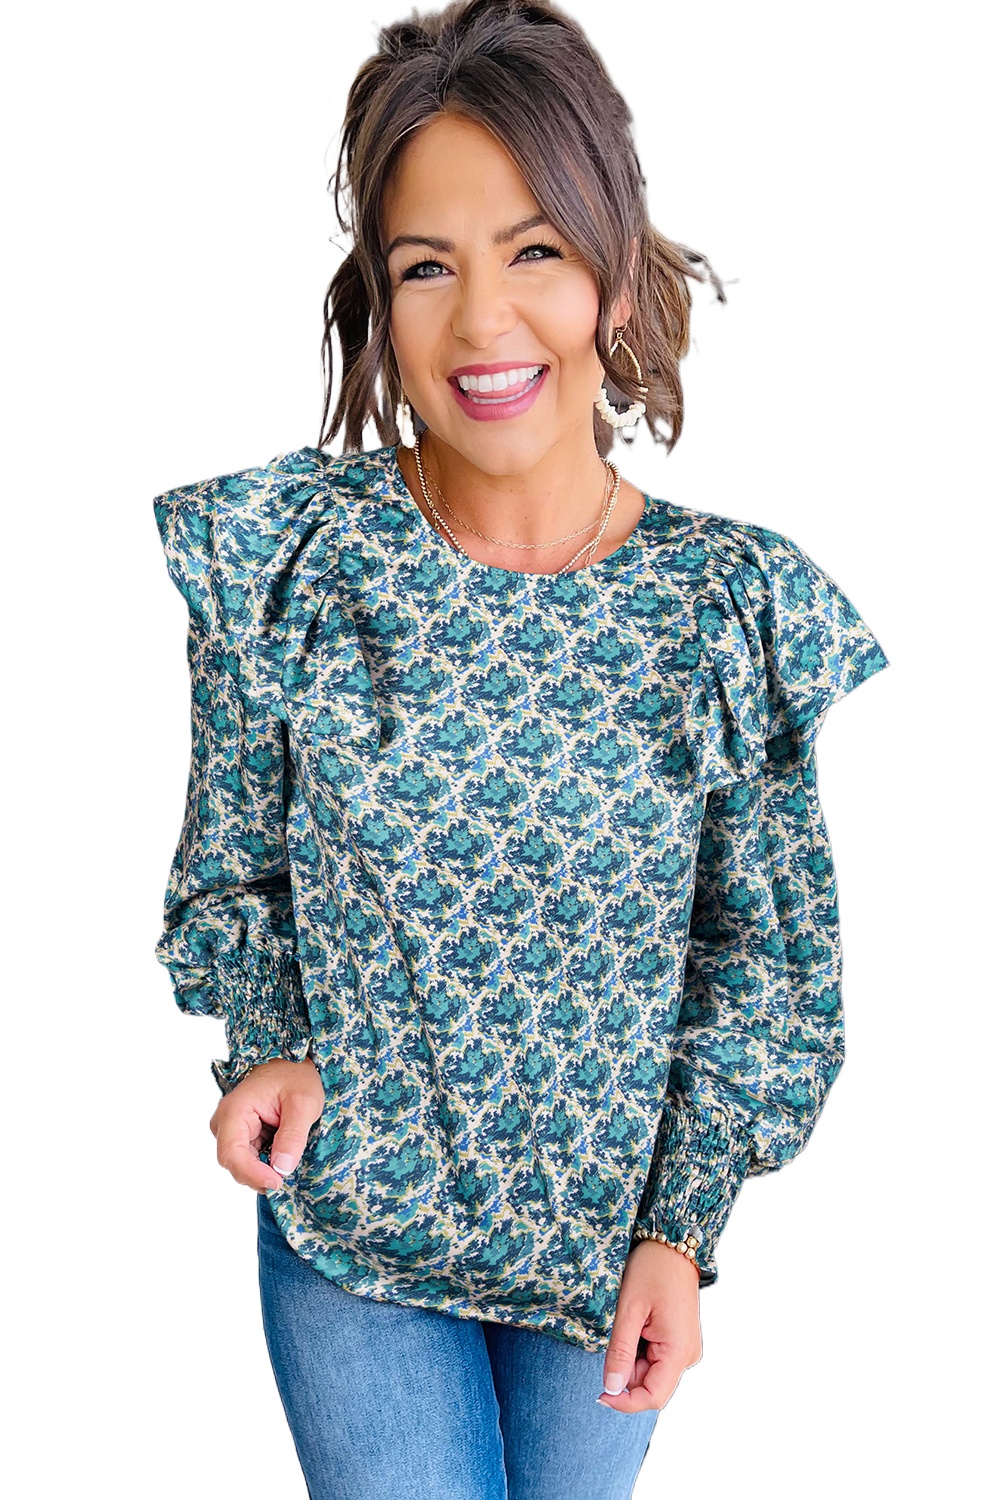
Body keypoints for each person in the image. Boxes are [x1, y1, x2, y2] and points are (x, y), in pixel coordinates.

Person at [151, 2, 889, 1496]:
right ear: (379, 302)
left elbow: (767, 966)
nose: (483, 322)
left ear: (611, 270)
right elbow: (230, 877)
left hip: (603, 1256)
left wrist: (681, 1228)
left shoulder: (725, 608)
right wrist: (269, 1039)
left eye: (533, 251)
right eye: (427, 266)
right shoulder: (294, 564)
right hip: (355, 1228)